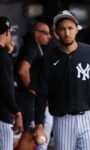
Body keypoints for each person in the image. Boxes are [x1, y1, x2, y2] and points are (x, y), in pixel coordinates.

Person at [31, 10, 90, 150]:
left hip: (89, 118)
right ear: (56, 32)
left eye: (70, 28)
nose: (66, 32)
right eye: (62, 29)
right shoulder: (46, 59)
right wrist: (39, 126)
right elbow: (41, 96)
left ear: (77, 29)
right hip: (63, 120)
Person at [15, 22, 52, 150]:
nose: (50, 37)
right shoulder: (30, 47)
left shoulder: (35, 47)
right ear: (37, 33)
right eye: (46, 33)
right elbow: (23, 70)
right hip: (26, 97)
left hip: (29, 97)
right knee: (29, 133)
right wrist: (34, 91)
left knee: (31, 133)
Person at [0, 16, 23, 150]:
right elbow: (6, 87)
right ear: (8, 33)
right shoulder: (2, 57)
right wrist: (17, 112)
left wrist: (8, 54)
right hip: (2, 117)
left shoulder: (3, 56)